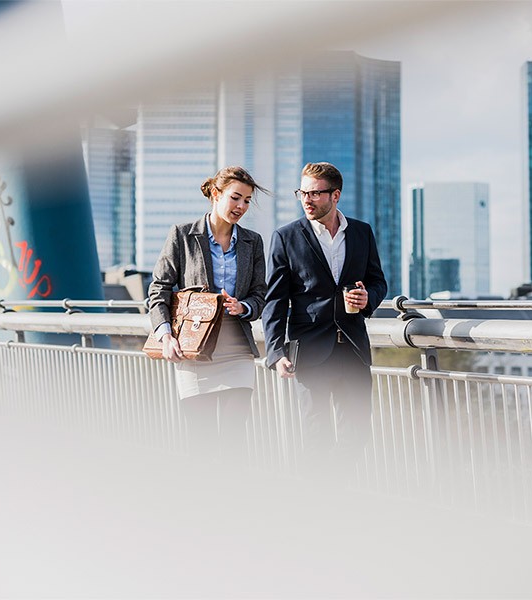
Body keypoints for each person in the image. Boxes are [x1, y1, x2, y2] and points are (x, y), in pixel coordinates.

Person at [262, 162, 387, 480]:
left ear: (335, 195)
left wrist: (367, 299)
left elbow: (377, 281)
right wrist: (277, 352)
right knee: (317, 436)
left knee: (356, 433)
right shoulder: (286, 237)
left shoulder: (361, 232)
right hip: (310, 352)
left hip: (353, 350)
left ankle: (335, 491)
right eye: (302, 192)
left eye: (315, 193)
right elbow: (275, 301)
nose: (307, 199)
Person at [148, 166, 268, 466]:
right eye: (235, 198)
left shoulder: (253, 242)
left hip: (237, 350)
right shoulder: (183, 235)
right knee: (201, 440)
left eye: (247, 200)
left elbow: (260, 295)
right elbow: (158, 289)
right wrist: (165, 335)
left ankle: (230, 503)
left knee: (232, 437)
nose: (241, 206)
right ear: (215, 194)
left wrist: (245, 307)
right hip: (194, 349)